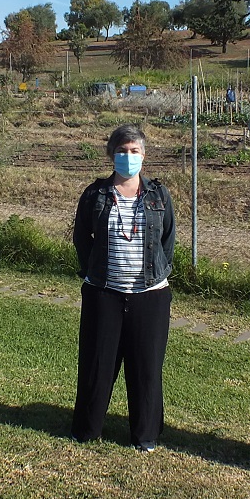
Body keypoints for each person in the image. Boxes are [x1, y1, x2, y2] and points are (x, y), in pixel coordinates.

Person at [71, 124, 175, 452]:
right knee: (97, 364)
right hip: (104, 294)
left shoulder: (159, 195)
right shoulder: (95, 194)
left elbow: (167, 241)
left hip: (150, 296)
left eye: (134, 151)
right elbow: (81, 238)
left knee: (146, 367)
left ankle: (145, 435)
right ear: (111, 154)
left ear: (143, 155)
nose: (128, 157)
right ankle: (87, 429)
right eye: (121, 151)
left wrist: (156, 275)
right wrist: (95, 274)